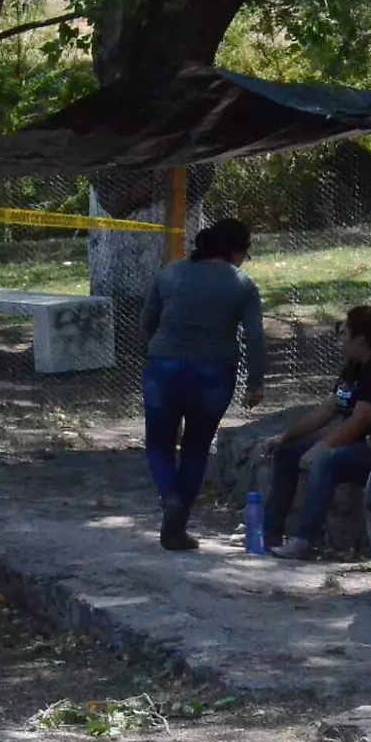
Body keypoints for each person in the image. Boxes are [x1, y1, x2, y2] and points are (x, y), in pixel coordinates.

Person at [140, 218, 267, 551]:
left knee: (158, 443)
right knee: (197, 445)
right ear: (234, 251)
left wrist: (159, 349)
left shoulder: (169, 273)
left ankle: (170, 499)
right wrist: (255, 383)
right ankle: (178, 524)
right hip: (213, 373)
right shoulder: (242, 285)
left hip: (163, 368)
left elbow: (146, 323)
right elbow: (254, 338)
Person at [261, 302, 371, 560]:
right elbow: (327, 409)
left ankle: (303, 540)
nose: (338, 342)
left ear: (361, 339)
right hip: (358, 444)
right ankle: (269, 534)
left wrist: (320, 449)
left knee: (325, 461)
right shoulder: (355, 366)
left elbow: (360, 422)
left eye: (344, 334)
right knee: (286, 452)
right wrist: (286, 436)